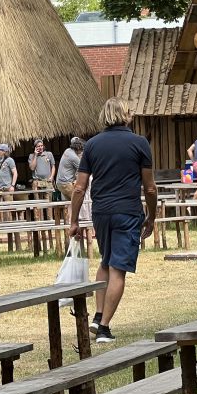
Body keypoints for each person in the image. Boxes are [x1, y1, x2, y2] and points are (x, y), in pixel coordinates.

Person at [69, 97, 157, 344]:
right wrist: (151, 217)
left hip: (101, 212)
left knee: (106, 261)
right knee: (118, 268)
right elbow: (150, 188)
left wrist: (74, 221)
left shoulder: (92, 145)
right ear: (126, 115)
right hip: (127, 211)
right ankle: (104, 328)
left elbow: (79, 187)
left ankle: (98, 316)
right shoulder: (139, 143)